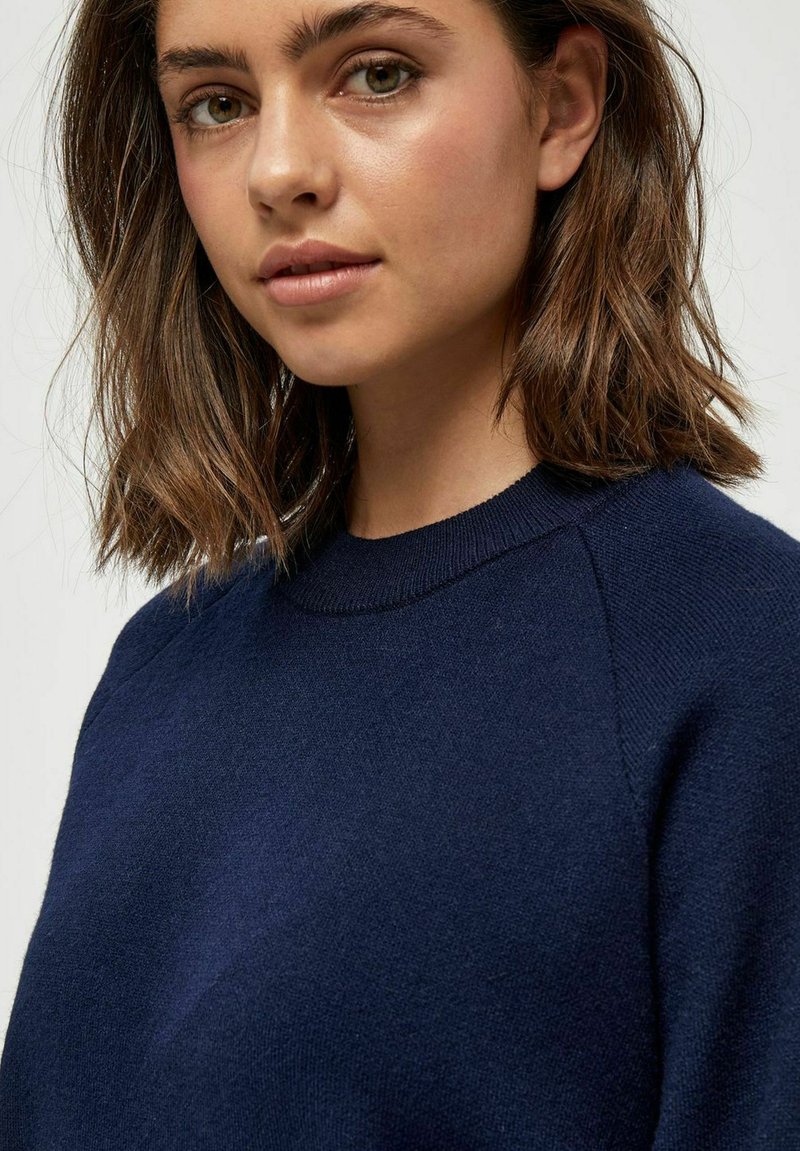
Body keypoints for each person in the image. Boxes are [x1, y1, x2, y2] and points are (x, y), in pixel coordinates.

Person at [1, 0, 798, 1146]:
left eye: (374, 75)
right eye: (215, 104)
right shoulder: (160, 669)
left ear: (561, 105)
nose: (278, 170)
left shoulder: (740, 657)